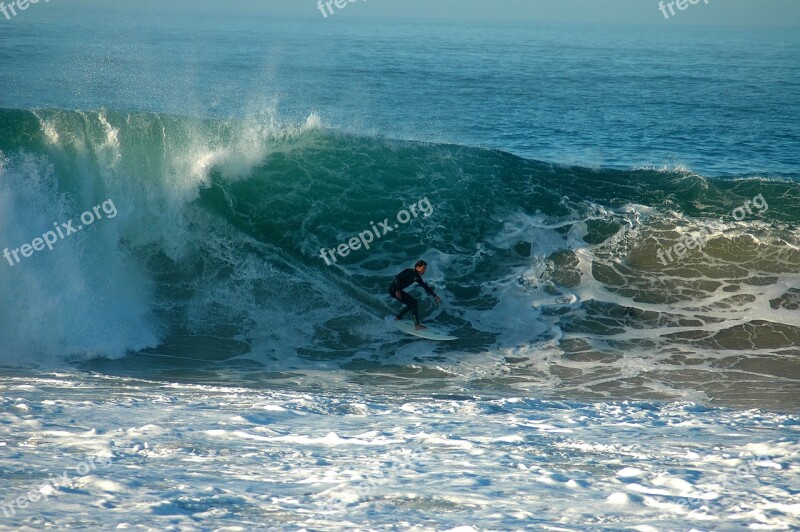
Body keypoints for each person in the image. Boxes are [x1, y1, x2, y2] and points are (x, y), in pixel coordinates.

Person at [389, 260, 442, 330]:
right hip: (394, 290)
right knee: (414, 303)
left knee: (412, 304)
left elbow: (425, 287)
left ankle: (398, 317)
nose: (424, 271)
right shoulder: (410, 271)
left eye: (425, 269)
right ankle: (417, 325)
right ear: (417, 267)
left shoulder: (417, 277)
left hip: (396, 290)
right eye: (423, 269)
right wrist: (398, 290)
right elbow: (397, 277)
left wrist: (434, 295)